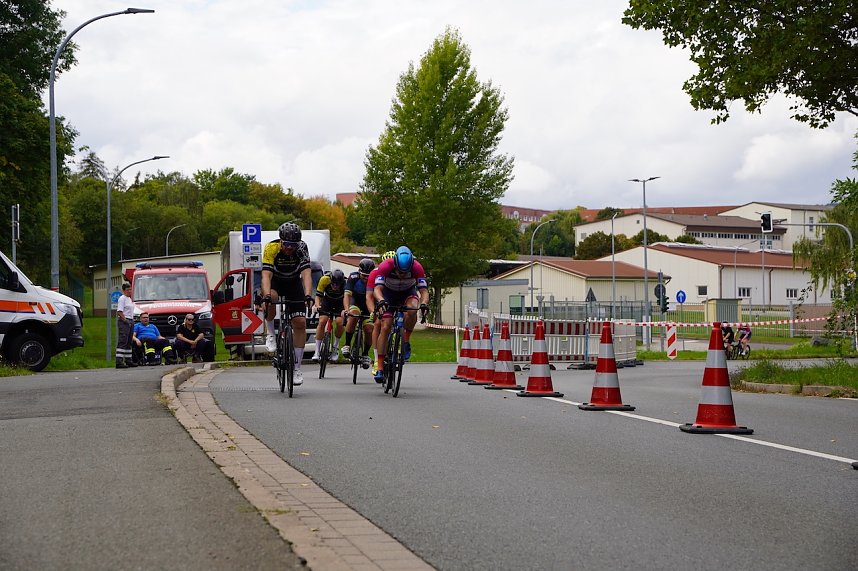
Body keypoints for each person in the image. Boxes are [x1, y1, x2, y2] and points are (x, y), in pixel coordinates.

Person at [261, 222, 314, 386]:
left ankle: (297, 367)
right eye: (287, 244)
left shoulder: (302, 248)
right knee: (271, 298)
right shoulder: (271, 248)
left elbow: (306, 274)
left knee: (300, 322)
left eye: (293, 245)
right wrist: (267, 295)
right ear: (281, 241)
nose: (290, 248)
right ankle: (270, 334)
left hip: (293, 283)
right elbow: (266, 276)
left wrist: (307, 295)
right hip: (275, 282)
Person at [371, 246, 429, 383]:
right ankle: (379, 367)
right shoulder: (385, 266)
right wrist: (381, 301)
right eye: (399, 272)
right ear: (395, 263)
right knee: (385, 327)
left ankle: (406, 341)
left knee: (413, 309)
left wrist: (425, 303)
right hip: (388, 295)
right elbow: (377, 289)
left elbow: (424, 291)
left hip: (407, 293)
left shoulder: (417, 267)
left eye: (405, 272)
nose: (402, 274)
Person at [342, 258, 375, 369]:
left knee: (369, 329)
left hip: (368, 306)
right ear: (359, 272)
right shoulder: (353, 277)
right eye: (363, 275)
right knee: (353, 316)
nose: (366, 278)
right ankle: (347, 344)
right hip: (355, 302)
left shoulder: (376, 279)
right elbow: (347, 295)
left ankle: (365, 353)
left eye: (368, 276)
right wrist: (346, 310)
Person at [366, 251, 395, 377]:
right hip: (380, 299)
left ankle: (399, 345)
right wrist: (373, 312)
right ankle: (377, 359)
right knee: (378, 322)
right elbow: (369, 297)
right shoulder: (375, 273)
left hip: (395, 297)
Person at [313, 268, 346, 362]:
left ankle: (335, 347)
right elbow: (318, 295)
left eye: (337, 285)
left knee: (340, 322)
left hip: (340, 302)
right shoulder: (324, 279)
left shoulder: (345, 284)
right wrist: (317, 305)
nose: (335, 286)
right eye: (333, 284)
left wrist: (346, 310)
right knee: (322, 321)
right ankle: (317, 351)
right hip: (327, 301)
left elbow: (347, 298)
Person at [115, 282, 137, 368]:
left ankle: (128, 360)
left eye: (130, 289)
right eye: (128, 290)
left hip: (131, 320)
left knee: (129, 341)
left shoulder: (129, 299)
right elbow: (119, 311)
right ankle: (119, 361)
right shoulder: (122, 298)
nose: (129, 291)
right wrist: (125, 320)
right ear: (124, 290)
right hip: (125, 321)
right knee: (123, 340)